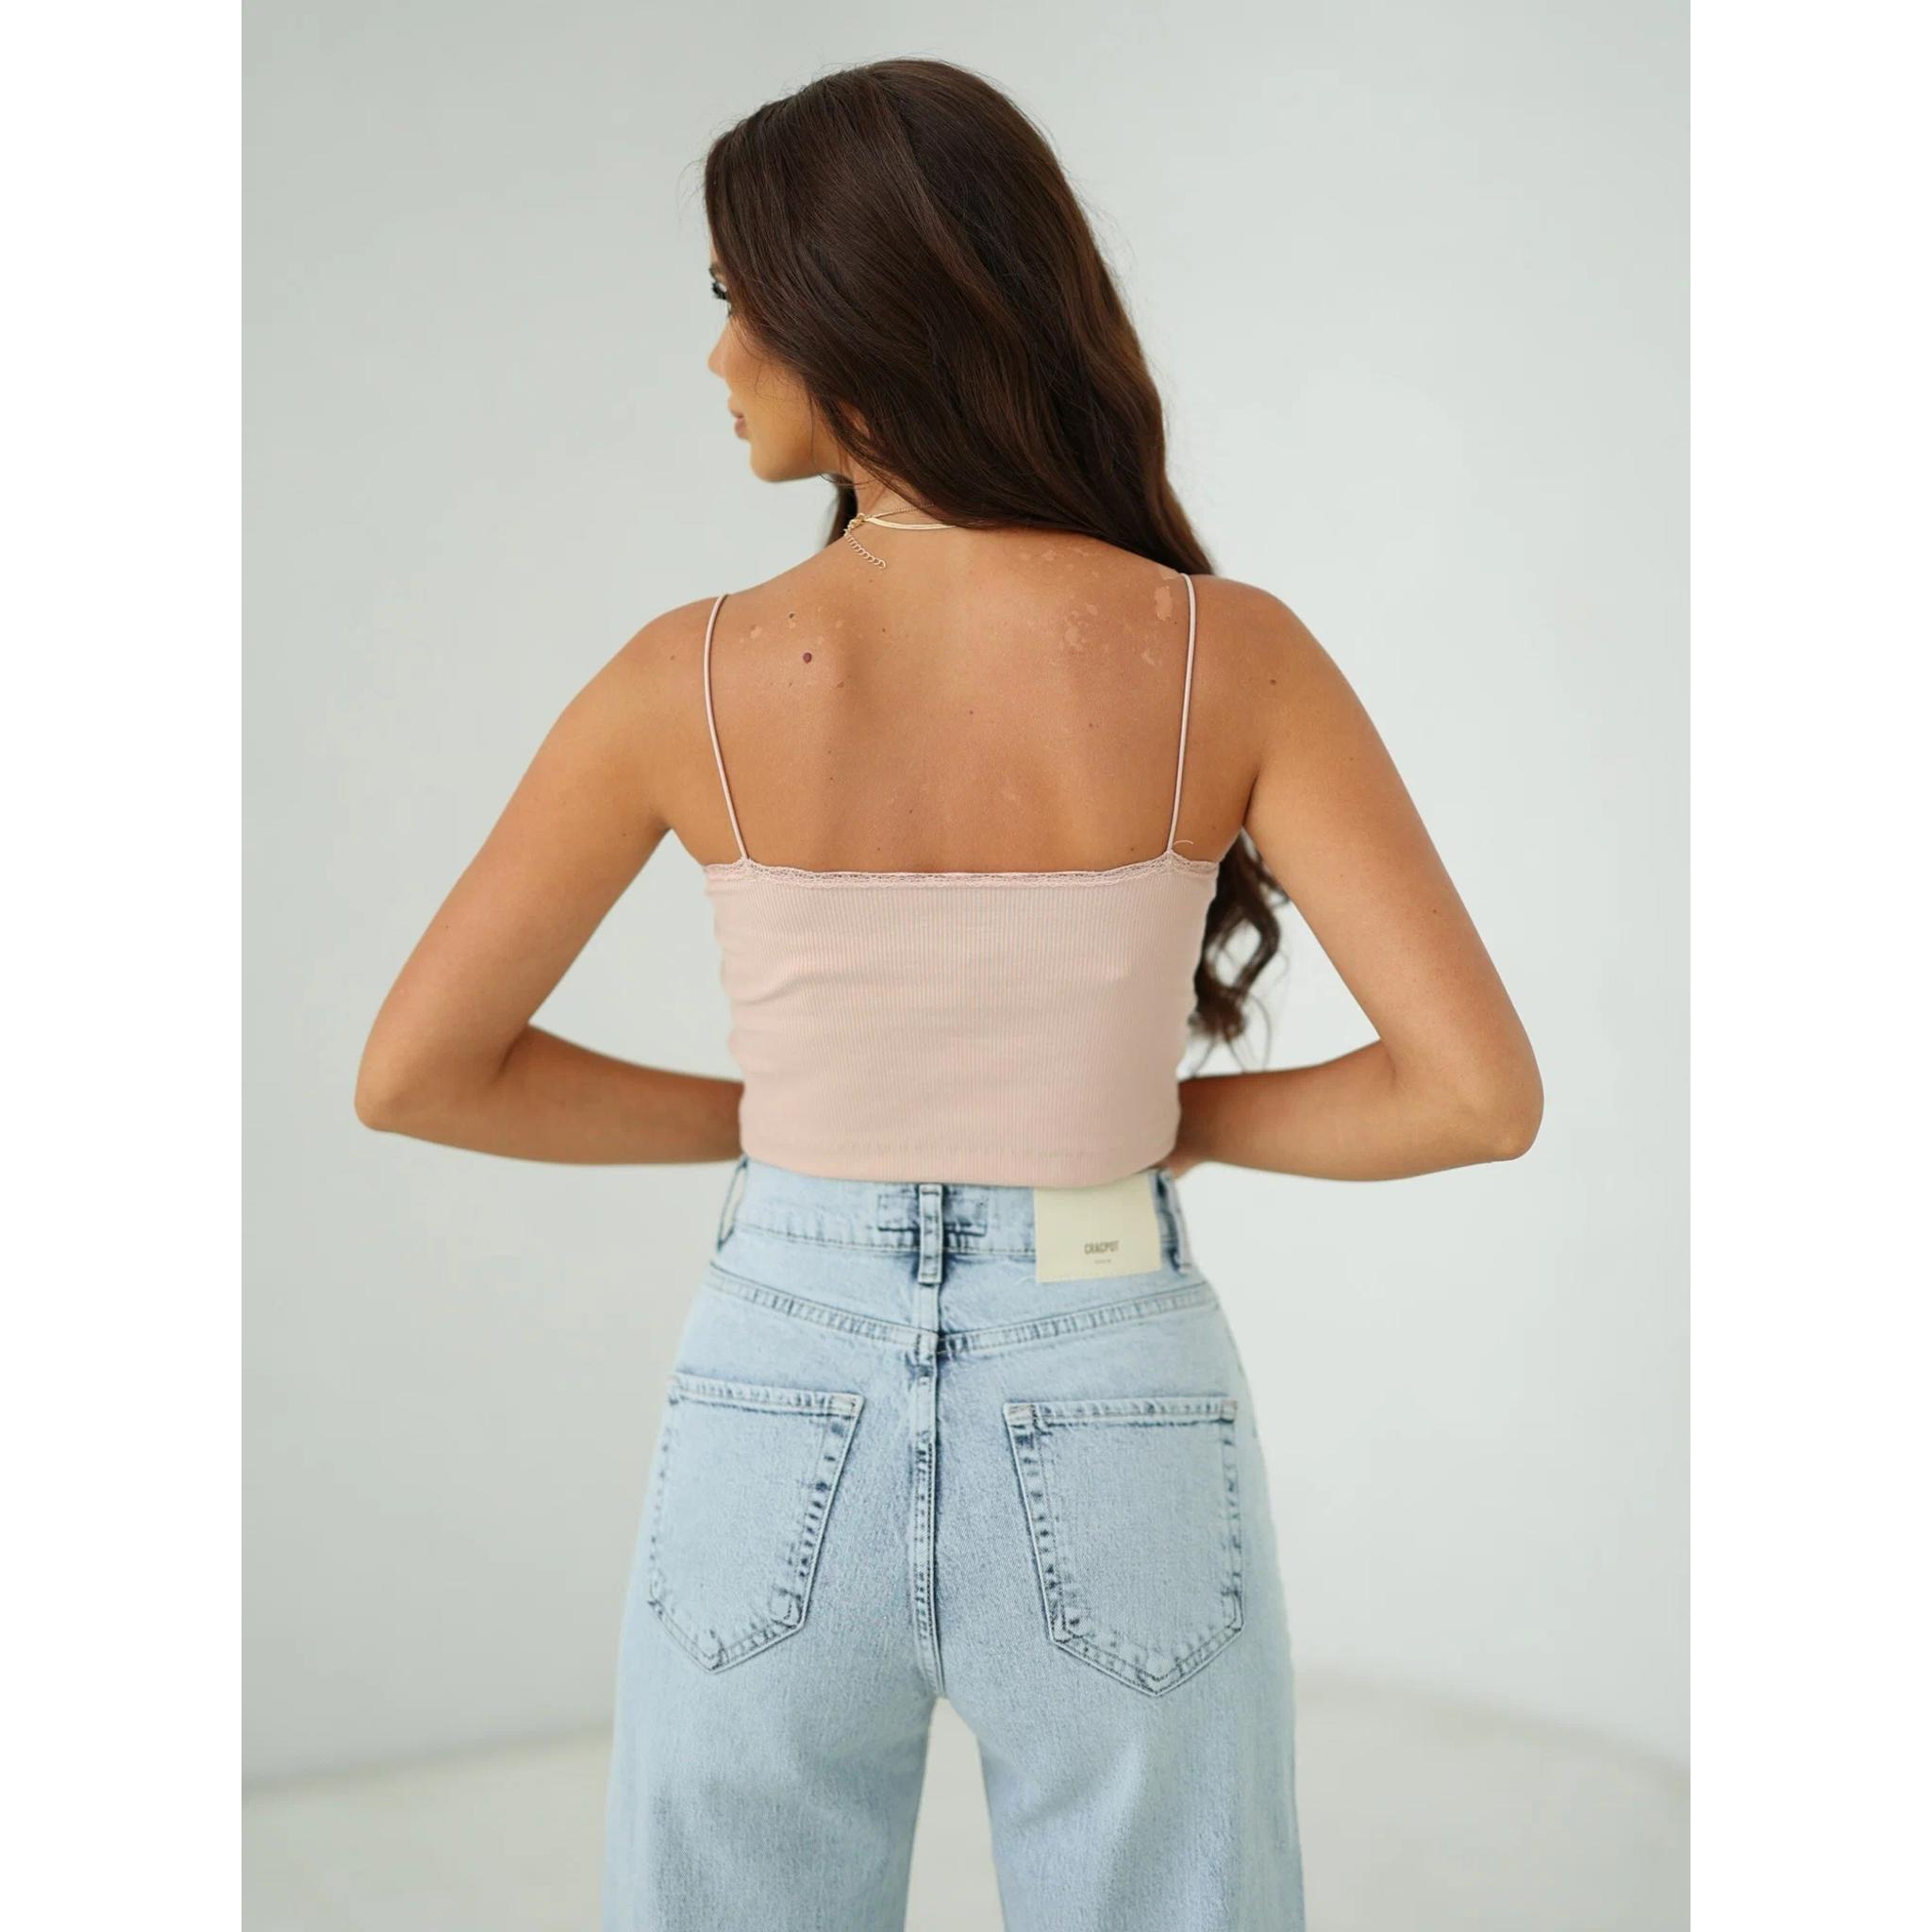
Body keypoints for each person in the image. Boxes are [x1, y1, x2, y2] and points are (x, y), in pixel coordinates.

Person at [355, 55, 1541, 1932]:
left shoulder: (686, 678)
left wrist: (797, 1131)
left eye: (739, 300)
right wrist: (1154, 1124)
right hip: (1110, 1367)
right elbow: (1472, 1095)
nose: (718, 356)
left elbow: (420, 1072)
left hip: (777, 1377)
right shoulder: (1224, 656)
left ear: (856, 314)